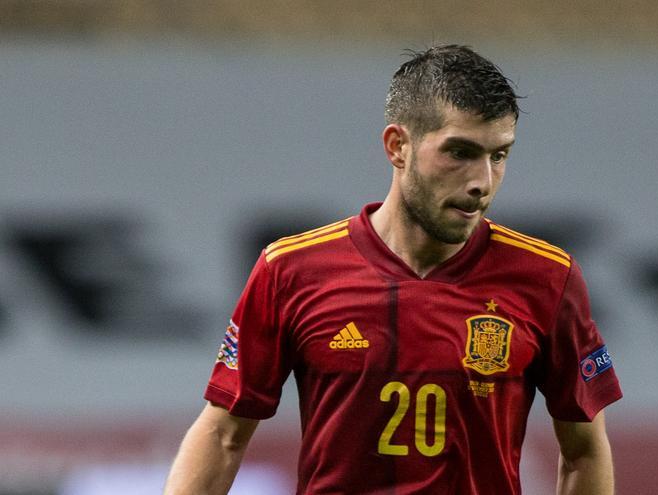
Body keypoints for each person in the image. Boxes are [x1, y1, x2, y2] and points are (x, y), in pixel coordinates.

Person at [163, 44, 622, 495]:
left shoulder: (547, 278)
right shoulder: (290, 270)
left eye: (498, 155)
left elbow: (584, 449)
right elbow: (223, 435)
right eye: (459, 153)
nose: (482, 181)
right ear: (397, 146)